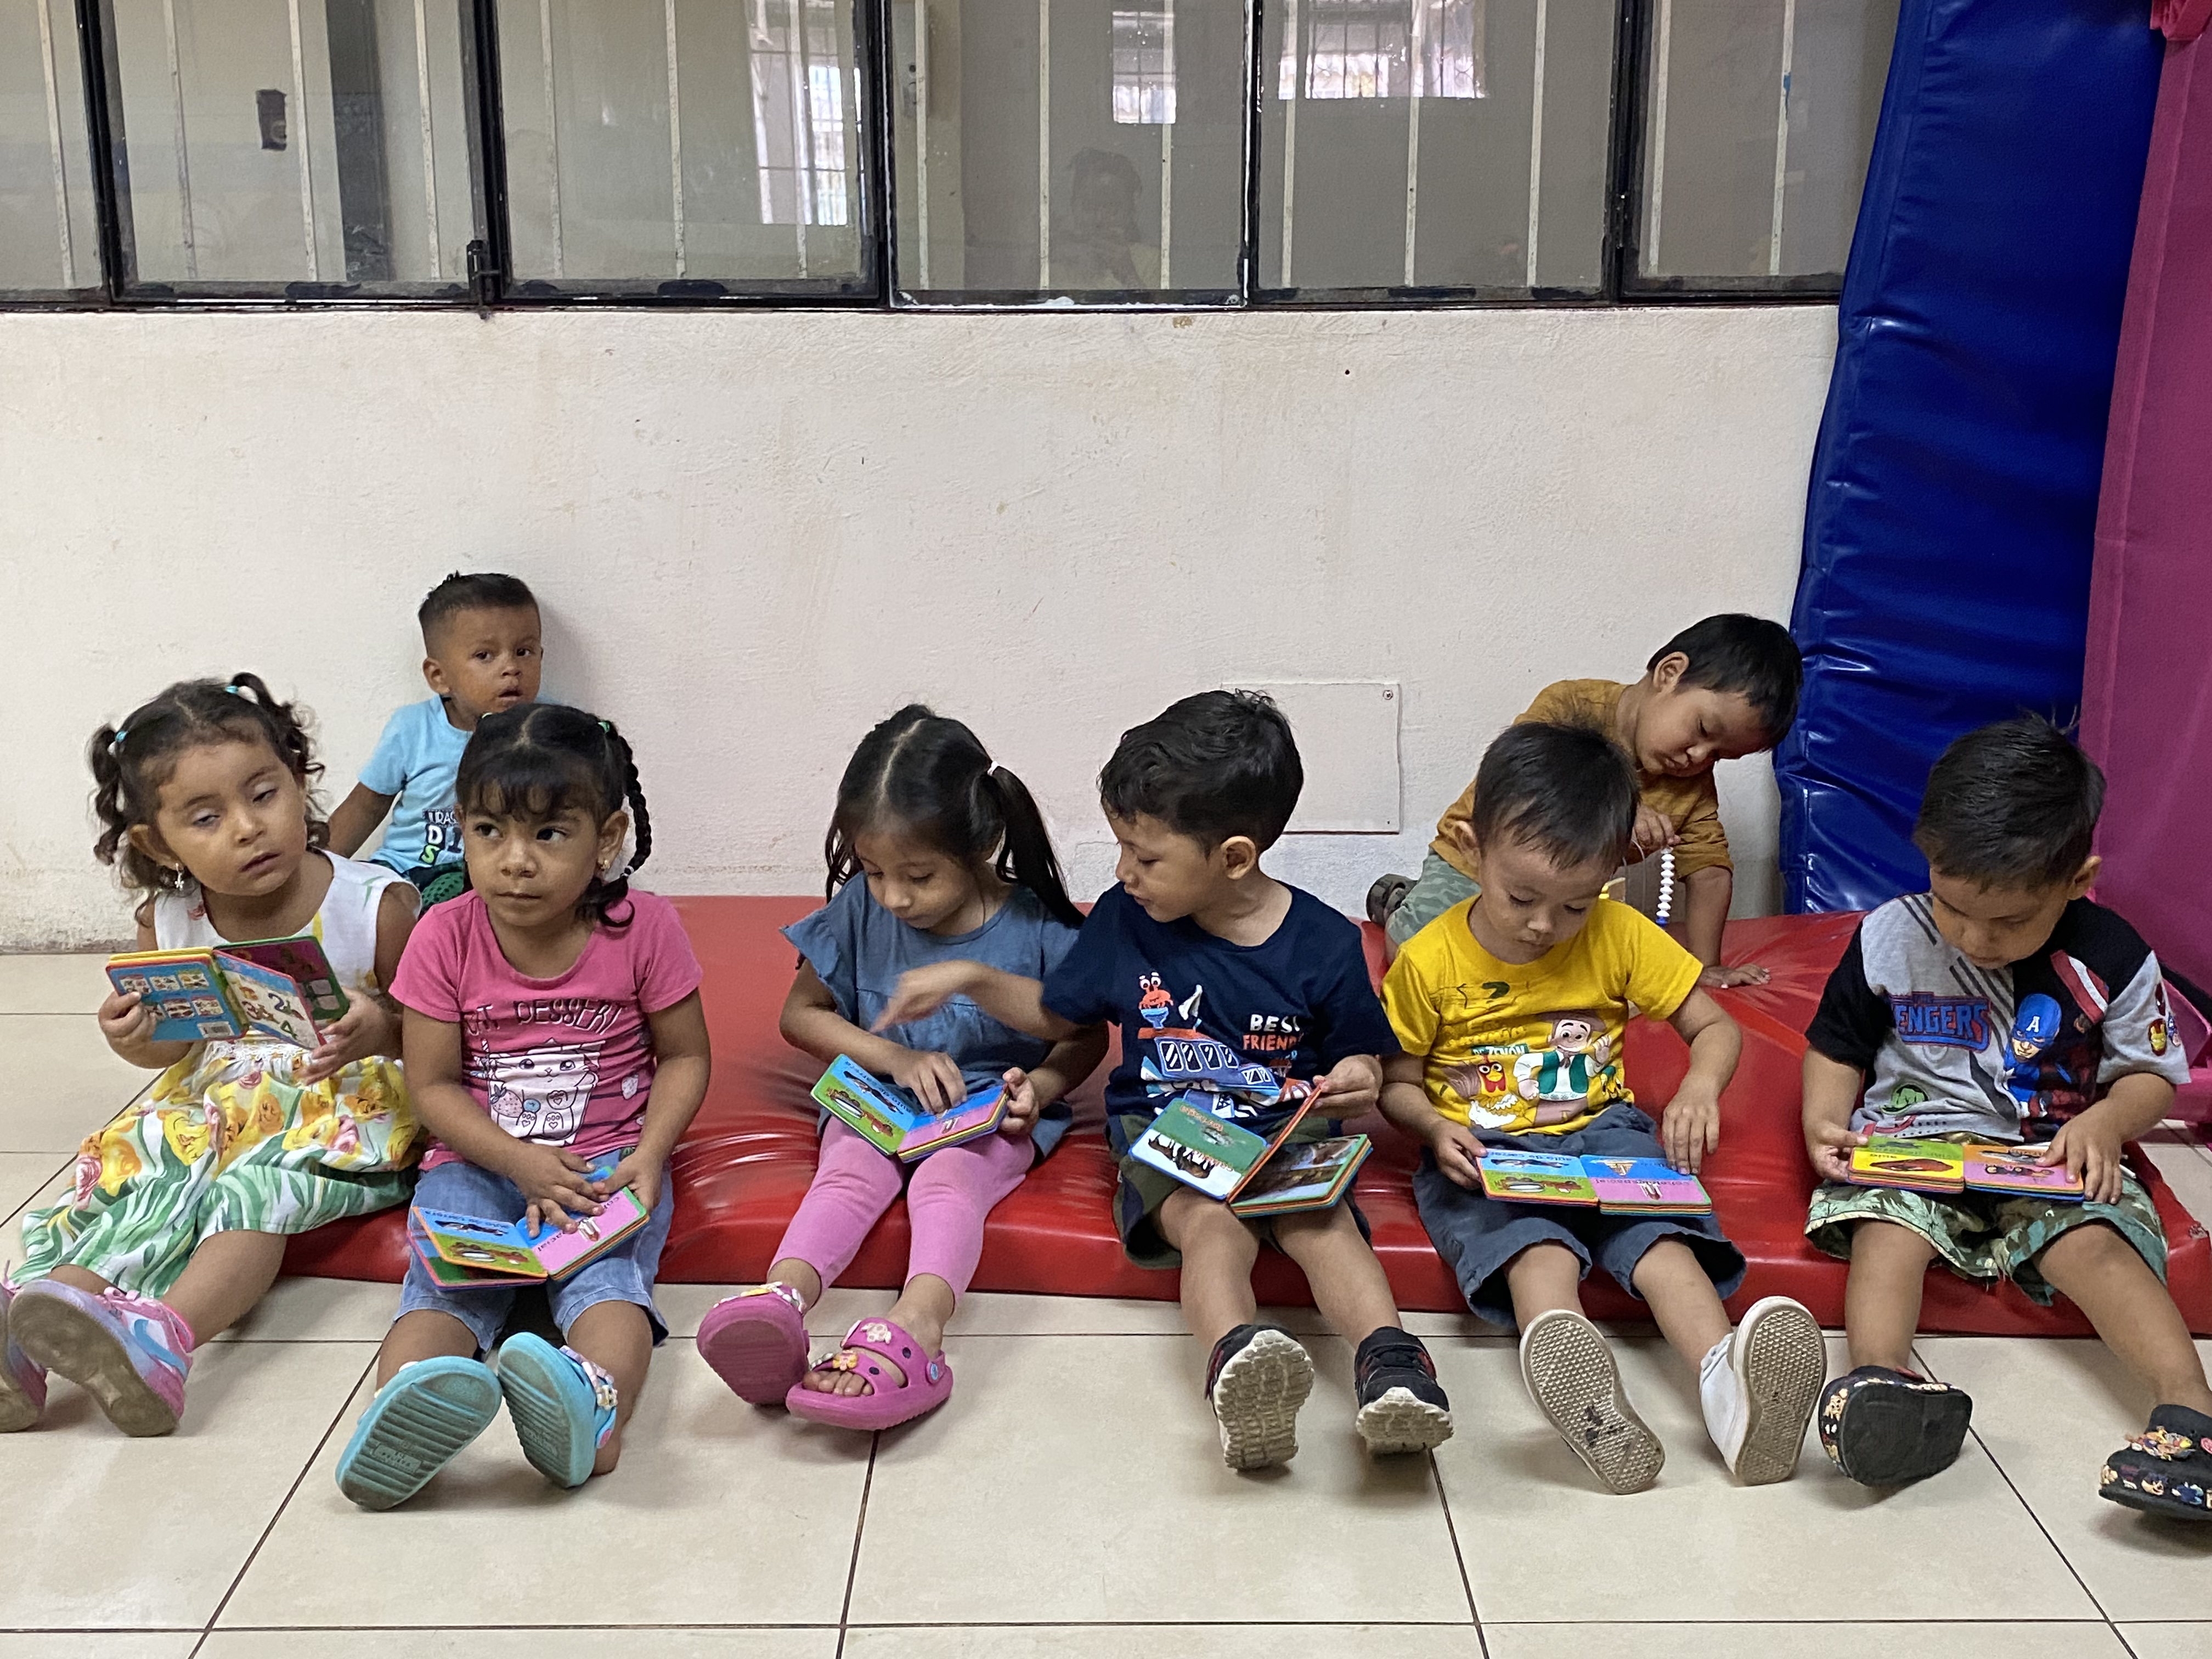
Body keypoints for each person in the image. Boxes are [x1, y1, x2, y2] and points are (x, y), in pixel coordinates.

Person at [878, 691, 1453, 1469]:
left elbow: (1361, 1059)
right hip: (1168, 1133)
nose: (1124, 872)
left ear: (1235, 858)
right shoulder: (1125, 919)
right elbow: (1056, 1015)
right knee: (1209, 1226)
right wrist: (971, 978)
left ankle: (1393, 1366)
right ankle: (1240, 1366)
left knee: (1324, 1228)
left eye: (1144, 857)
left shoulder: (1324, 941)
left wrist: (1357, 1074)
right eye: (1123, 849)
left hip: (1288, 1133)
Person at [1378, 721, 1824, 1494]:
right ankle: (1585, 1392)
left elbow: (1715, 1027)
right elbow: (1397, 1084)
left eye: (1575, 906)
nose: (1544, 926)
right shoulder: (1429, 959)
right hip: (1487, 1149)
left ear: (1611, 876)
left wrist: (1698, 1088)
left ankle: (1729, 1390)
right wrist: (1434, 1126)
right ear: (1472, 849)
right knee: (1535, 1248)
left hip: (1606, 1132)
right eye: (1522, 898)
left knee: (1663, 1244)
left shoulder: (1620, 934)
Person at [1800, 718, 2212, 1518]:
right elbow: (1836, 1046)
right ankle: (1883, 1385)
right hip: (1915, 1146)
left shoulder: (2113, 955)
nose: (1975, 938)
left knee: (2094, 1245)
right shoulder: (1889, 936)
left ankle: (2190, 1414)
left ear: (2077, 881)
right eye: (1953, 907)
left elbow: (2151, 1077)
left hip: (2048, 1152)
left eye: (2011, 921)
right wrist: (1824, 1120)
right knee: (1887, 1233)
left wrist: (2106, 1123)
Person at [2, 676, 420, 1437]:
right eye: (206, 817)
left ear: (299, 780)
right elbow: (176, 1042)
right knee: (139, 1181)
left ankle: (164, 1338)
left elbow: (437, 1029)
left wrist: (383, 1028)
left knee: (248, 1193)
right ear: (158, 844)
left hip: (335, 1103)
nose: (248, 828)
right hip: (212, 1103)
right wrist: (136, 1038)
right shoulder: (169, 919)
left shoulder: (372, 905)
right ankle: (34, 1332)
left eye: (264, 794)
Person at [333, 704, 710, 1510]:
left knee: (608, 1287)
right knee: (442, 1292)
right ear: (460, 829)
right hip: (476, 1161)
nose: (515, 862)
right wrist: (514, 1161)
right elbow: (433, 1085)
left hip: (602, 1168)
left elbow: (685, 1056)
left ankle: (594, 1417)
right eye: (488, 832)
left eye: (549, 834)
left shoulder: (645, 928)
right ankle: (402, 1413)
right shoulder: (443, 935)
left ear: (606, 839)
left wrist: (649, 1157)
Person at [696, 708, 1107, 1430]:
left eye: (918, 876)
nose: (893, 896)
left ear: (982, 843)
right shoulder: (862, 909)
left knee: (949, 1178)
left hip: (986, 1110)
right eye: (875, 871)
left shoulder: (1036, 925)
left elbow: (1082, 1034)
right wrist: (895, 1057)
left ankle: (919, 1323)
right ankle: (780, 1300)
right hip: (879, 1099)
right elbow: (801, 1015)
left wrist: (1040, 1088)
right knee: (848, 1172)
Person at [1372, 614, 1802, 985]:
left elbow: (1709, 872)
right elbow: (1521, 787)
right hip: (1475, 871)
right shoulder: (1572, 706)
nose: (1699, 756)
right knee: (1423, 961)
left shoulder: (1692, 784)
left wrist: (1705, 965)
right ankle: (1400, 905)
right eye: (1704, 730)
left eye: (1721, 756)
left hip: (1560, 904)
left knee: (1579, 977)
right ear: (1670, 674)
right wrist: (1619, 811)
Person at [328, 572, 543, 907]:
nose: (511, 667)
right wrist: (316, 869)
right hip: (403, 871)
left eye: (524, 651)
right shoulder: (413, 729)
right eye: (485, 656)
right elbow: (366, 806)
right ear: (439, 676)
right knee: (366, 908)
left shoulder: (546, 732)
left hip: (485, 879)